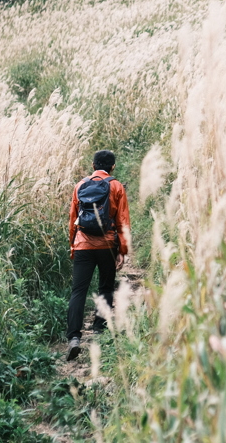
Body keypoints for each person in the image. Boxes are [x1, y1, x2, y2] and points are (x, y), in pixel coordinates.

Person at [66, 149, 129, 360]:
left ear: (93, 166)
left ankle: (74, 337)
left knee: (78, 291)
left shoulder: (80, 186)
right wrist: (122, 251)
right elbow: (123, 222)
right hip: (107, 245)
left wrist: (73, 246)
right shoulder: (117, 186)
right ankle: (99, 331)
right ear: (112, 167)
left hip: (83, 244)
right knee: (106, 286)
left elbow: (73, 219)